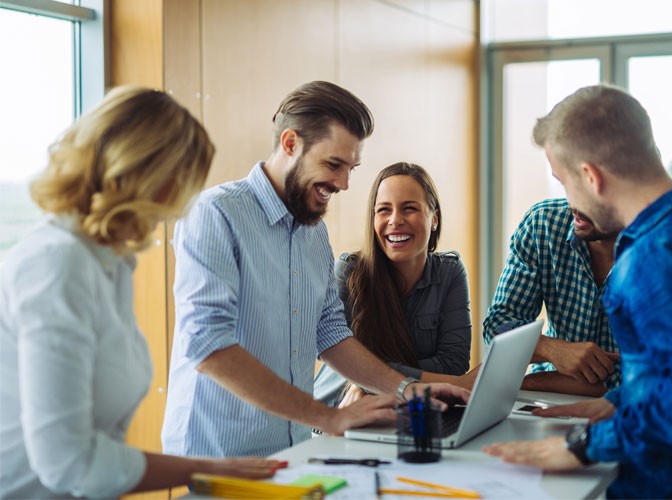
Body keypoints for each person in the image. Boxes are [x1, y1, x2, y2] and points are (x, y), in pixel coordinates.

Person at [482, 84, 672, 498]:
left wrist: (581, 445)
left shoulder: (661, 255)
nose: (568, 200)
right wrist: (621, 401)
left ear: (591, 176)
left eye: (564, 182)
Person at [0, 86, 282, 499]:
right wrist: (208, 468)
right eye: (179, 186)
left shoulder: (111, 264)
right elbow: (68, 461)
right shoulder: (57, 265)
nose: (179, 208)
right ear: (140, 173)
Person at [161, 81, 469, 458]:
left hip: (292, 449)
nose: (343, 184)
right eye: (333, 165)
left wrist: (404, 388)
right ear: (290, 144)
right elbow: (207, 346)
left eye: (351, 168)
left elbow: (330, 333)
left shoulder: (313, 232)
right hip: (217, 455)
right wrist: (328, 416)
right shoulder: (216, 214)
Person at [314, 162, 475, 408]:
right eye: (384, 210)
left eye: (409, 209)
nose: (395, 220)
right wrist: (379, 380)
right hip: (336, 412)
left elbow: (453, 365)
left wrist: (372, 380)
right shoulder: (350, 271)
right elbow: (338, 354)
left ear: (434, 218)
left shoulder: (450, 273)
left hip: (408, 409)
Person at [483, 199, 620, 396]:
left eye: (586, 191)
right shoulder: (542, 223)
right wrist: (551, 349)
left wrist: (528, 383)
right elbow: (497, 327)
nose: (575, 203)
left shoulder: (663, 244)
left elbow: (651, 381)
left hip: (633, 414)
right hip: (545, 400)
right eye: (568, 183)